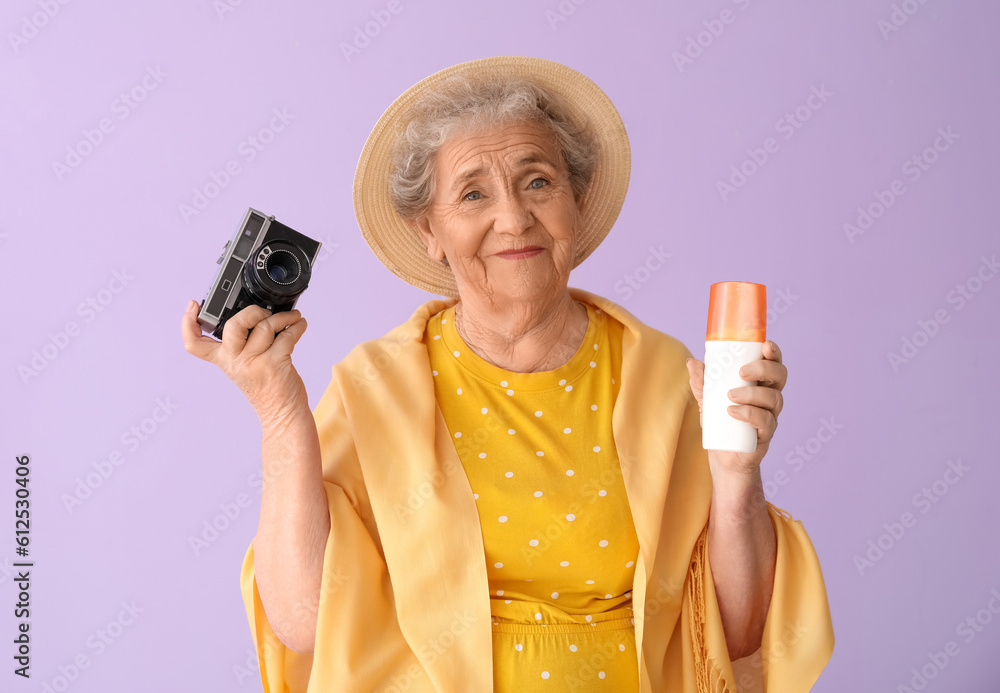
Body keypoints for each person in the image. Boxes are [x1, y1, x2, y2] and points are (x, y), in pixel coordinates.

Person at [181, 56, 834, 692]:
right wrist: (280, 409)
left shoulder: (662, 374)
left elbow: (737, 630)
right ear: (429, 231)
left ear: (574, 203)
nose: (515, 217)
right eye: (473, 193)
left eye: (538, 182)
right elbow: (305, 619)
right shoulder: (377, 386)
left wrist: (736, 473)